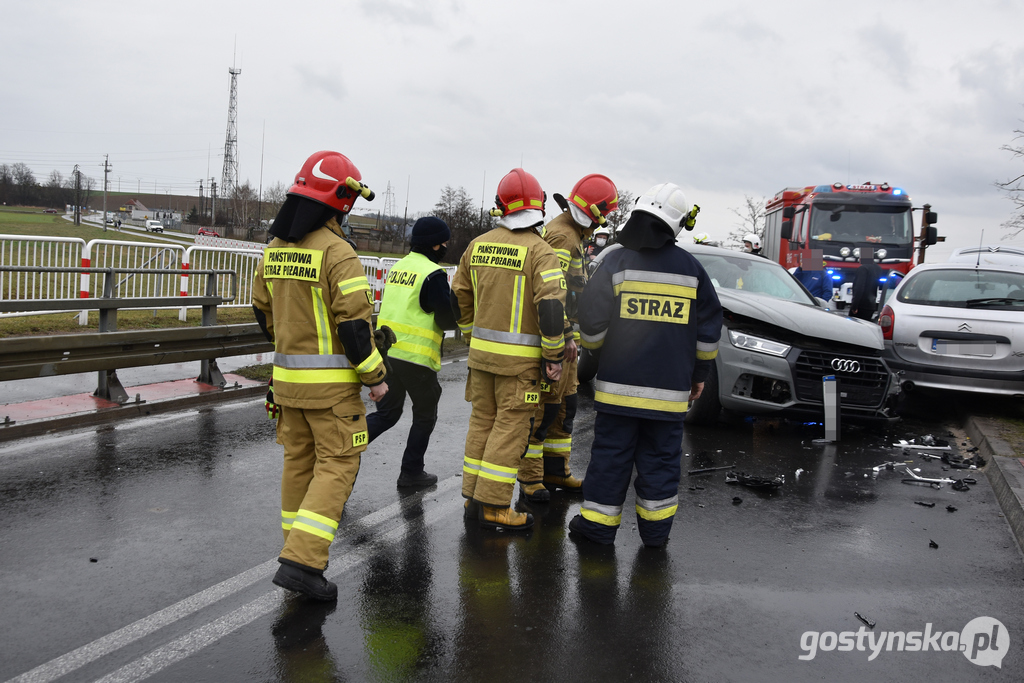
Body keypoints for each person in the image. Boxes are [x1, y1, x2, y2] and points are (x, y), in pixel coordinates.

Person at [252, 150, 388, 601]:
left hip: (287, 384)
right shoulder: (338, 252)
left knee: (298, 464)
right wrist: (376, 378)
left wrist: (294, 345)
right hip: (331, 392)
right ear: (340, 200)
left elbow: (263, 313)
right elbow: (353, 327)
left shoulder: (273, 250)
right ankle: (303, 562)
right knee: (338, 464)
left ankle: (295, 548)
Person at [571, 182, 722, 548]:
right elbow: (708, 335)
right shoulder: (692, 270)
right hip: (669, 396)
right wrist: (699, 377)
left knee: (609, 459)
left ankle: (597, 529)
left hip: (617, 392)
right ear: (677, 223)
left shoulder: (614, 261)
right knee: (661, 464)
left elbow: (591, 323)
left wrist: (593, 354)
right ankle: (655, 536)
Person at [451, 168, 567, 531]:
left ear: (501, 206)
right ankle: (495, 506)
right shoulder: (540, 251)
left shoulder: (478, 244)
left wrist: (470, 335)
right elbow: (551, 308)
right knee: (510, 430)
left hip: (481, 359)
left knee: (481, 423)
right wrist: (553, 357)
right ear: (539, 207)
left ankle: (472, 497)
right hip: (520, 366)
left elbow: (459, 296)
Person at [519, 174, 618, 502]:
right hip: (558, 338)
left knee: (566, 406)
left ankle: (556, 471)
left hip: (568, 336)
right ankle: (532, 479)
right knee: (544, 411)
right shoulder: (563, 237)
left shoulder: (572, 233)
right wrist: (564, 336)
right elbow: (552, 294)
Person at [367, 216, 457, 488]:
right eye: (445, 243)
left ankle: (341, 448)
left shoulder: (398, 268)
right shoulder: (434, 274)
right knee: (425, 414)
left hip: (388, 354)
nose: (446, 247)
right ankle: (411, 472)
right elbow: (447, 320)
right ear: (436, 245)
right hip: (417, 360)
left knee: (386, 415)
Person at [849, 247, 885, 321]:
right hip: (871, 304)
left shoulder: (863, 269)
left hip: (861, 305)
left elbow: (859, 288)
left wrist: (854, 306)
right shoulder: (878, 268)